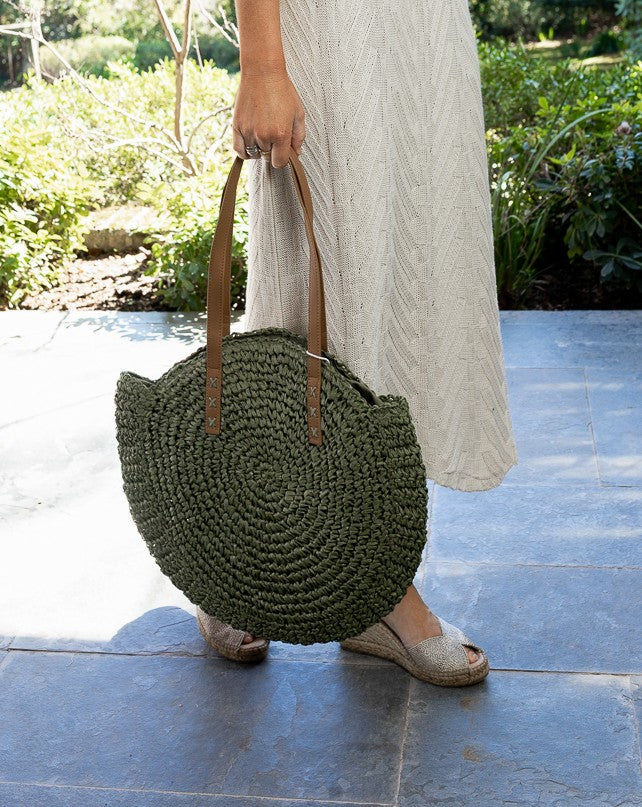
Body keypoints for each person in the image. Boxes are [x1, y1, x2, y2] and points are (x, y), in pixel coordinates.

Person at [196, 0, 519, 686]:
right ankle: (240, 557)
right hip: (332, 30)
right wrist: (262, 64)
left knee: (415, 285)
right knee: (318, 287)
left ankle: (374, 583)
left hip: (422, 30)